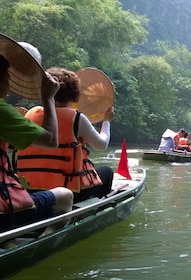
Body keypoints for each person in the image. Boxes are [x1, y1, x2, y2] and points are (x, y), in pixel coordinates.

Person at [0, 35, 73, 233]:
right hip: (2, 211)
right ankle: (38, 248)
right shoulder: (2, 111)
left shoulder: (15, 115)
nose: (9, 80)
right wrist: (48, 98)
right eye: (7, 75)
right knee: (65, 196)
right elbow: (51, 141)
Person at [17, 67, 114, 203]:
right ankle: (94, 208)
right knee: (107, 172)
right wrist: (106, 121)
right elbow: (101, 145)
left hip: (30, 188)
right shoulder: (76, 118)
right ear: (75, 94)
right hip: (70, 191)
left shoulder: (31, 114)